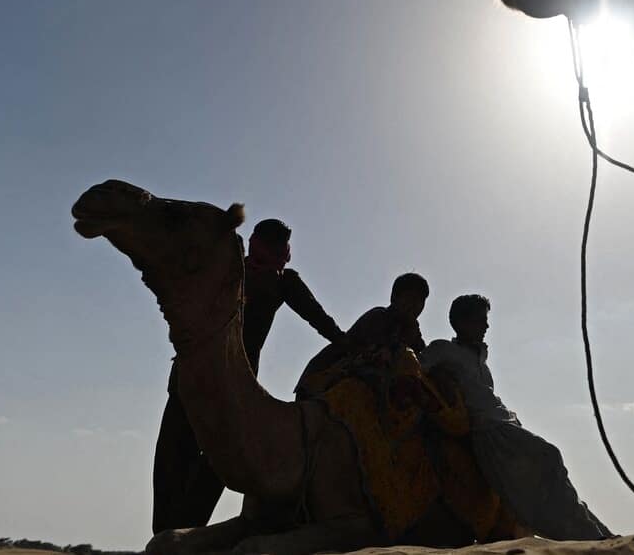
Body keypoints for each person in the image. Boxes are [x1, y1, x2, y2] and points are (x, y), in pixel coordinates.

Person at [152, 218, 345, 534]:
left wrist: (358, 344)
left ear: (284, 254)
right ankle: (165, 537)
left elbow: (322, 322)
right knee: (171, 470)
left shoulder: (284, 282)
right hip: (191, 384)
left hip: (235, 395)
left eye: (274, 255)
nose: (265, 264)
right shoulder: (226, 271)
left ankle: (181, 537)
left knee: (214, 473)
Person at [420, 295, 612, 540]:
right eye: (481, 320)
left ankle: (598, 533)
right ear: (463, 322)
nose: (486, 326)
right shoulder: (443, 349)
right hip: (489, 431)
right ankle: (589, 536)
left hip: (505, 425)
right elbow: (417, 366)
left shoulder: (481, 360)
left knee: (553, 469)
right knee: (549, 456)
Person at [294, 272, 429, 398]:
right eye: (410, 298)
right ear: (394, 297)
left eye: (420, 301)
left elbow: (423, 360)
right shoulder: (379, 316)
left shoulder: (413, 332)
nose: (415, 305)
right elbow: (379, 352)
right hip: (326, 377)